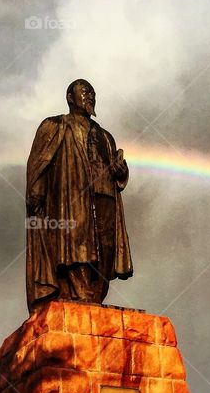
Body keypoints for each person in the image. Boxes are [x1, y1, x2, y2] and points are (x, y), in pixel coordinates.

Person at [25, 79, 133, 311]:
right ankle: (79, 294)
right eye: (84, 91)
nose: (90, 95)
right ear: (70, 97)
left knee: (107, 247)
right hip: (72, 196)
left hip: (105, 195)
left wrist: (120, 171)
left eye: (93, 92)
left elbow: (116, 168)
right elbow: (40, 161)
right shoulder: (55, 125)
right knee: (77, 243)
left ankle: (94, 296)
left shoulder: (105, 136)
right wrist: (37, 189)